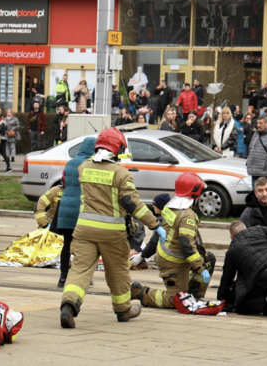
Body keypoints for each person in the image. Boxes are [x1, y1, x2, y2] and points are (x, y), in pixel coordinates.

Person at [60, 128, 164, 328]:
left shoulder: (83, 167)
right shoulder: (121, 174)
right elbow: (133, 204)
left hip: (83, 230)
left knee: (80, 269)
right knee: (117, 272)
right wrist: (155, 225)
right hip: (112, 233)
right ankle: (123, 310)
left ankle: (69, 304)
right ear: (117, 149)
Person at [131, 173, 215, 309]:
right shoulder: (187, 215)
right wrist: (200, 269)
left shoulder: (171, 207)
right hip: (173, 262)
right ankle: (141, 292)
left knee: (208, 258)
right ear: (194, 194)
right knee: (177, 300)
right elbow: (186, 245)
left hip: (170, 257)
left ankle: (194, 296)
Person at [55, 138, 97, 288]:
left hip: (66, 206)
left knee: (67, 243)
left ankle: (62, 278)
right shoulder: (92, 165)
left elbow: (64, 183)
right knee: (85, 246)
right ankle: (84, 277)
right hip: (82, 208)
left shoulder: (70, 163)